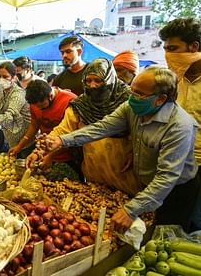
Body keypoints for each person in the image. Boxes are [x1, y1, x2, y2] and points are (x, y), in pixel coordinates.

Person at [44, 66, 199, 233]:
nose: (132, 97)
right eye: (132, 91)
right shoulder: (132, 107)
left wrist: (130, 210)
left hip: (175, 191)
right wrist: (62, 140)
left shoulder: (179, 127)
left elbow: (166, 178)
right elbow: (101, 128)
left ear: (160, 99)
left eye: (138, 94)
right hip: (145, 184)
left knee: (167, 235)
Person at [27, 58, 137, 193]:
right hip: (93, 168)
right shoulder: (81, 104)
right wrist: (38, 152)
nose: (92, 86)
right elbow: (63, 129)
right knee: (96, 200)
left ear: (109, 78)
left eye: (98, 80)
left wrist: (135, 152)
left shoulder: (129, 99)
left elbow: (140, 129)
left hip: (123, 167)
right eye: (88, 81)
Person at [159, 17, 201, 230]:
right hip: (174, 165)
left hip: (198, 168)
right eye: (165, 48)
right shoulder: (173, 82)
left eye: (173, 48)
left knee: (195, 226)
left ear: (194, 47)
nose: (168, 55)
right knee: (170, 222)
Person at [9, 79, 77, 169]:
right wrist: (19, 146)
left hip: (68, 155)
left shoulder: (70, 100)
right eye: (35, 106)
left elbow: (72, 135)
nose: (38, 108)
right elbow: (34, 125)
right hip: (44, 151)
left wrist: (51, 156)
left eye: (41, 105)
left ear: (51, 96)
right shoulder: (35, 100)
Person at [0, 62, 31, 152]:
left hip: (25, 142)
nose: (1, 79)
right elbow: (0, 110)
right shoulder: (1, 91)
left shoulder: (18, 93)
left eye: (5, 77)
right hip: (12, 140)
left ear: (13, 77)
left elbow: (11, 113)